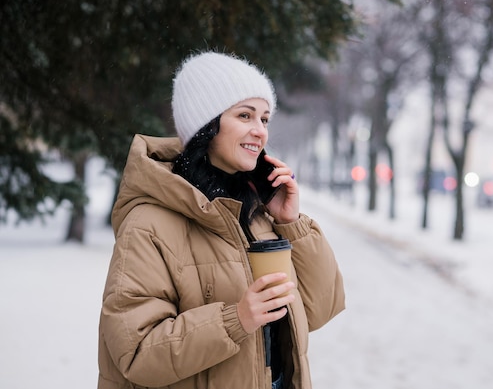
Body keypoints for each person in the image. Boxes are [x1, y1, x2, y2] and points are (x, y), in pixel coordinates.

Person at [97, 51, 345, 389]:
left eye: (265, 119)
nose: (260, 131)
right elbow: (136, 354)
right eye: (245, 115)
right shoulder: (148, 223)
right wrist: (236, 319)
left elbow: (320, 310)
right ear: (206, 126)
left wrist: (291, 223)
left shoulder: (256, 214)